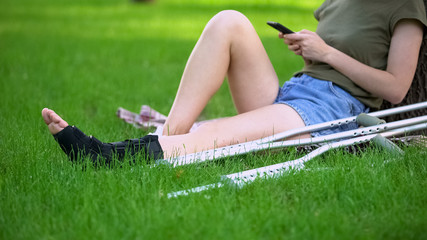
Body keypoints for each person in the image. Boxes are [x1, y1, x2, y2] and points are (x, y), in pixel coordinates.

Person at [42, 0, 427, 163]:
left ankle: (108, 156)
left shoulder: (406, 5)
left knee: (217, 135)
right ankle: (169, 134)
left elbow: (395, 87)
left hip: (330, 110)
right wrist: (313, 52)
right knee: (229, 20)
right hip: (295, 92)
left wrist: (327, 53)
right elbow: (331, 57)